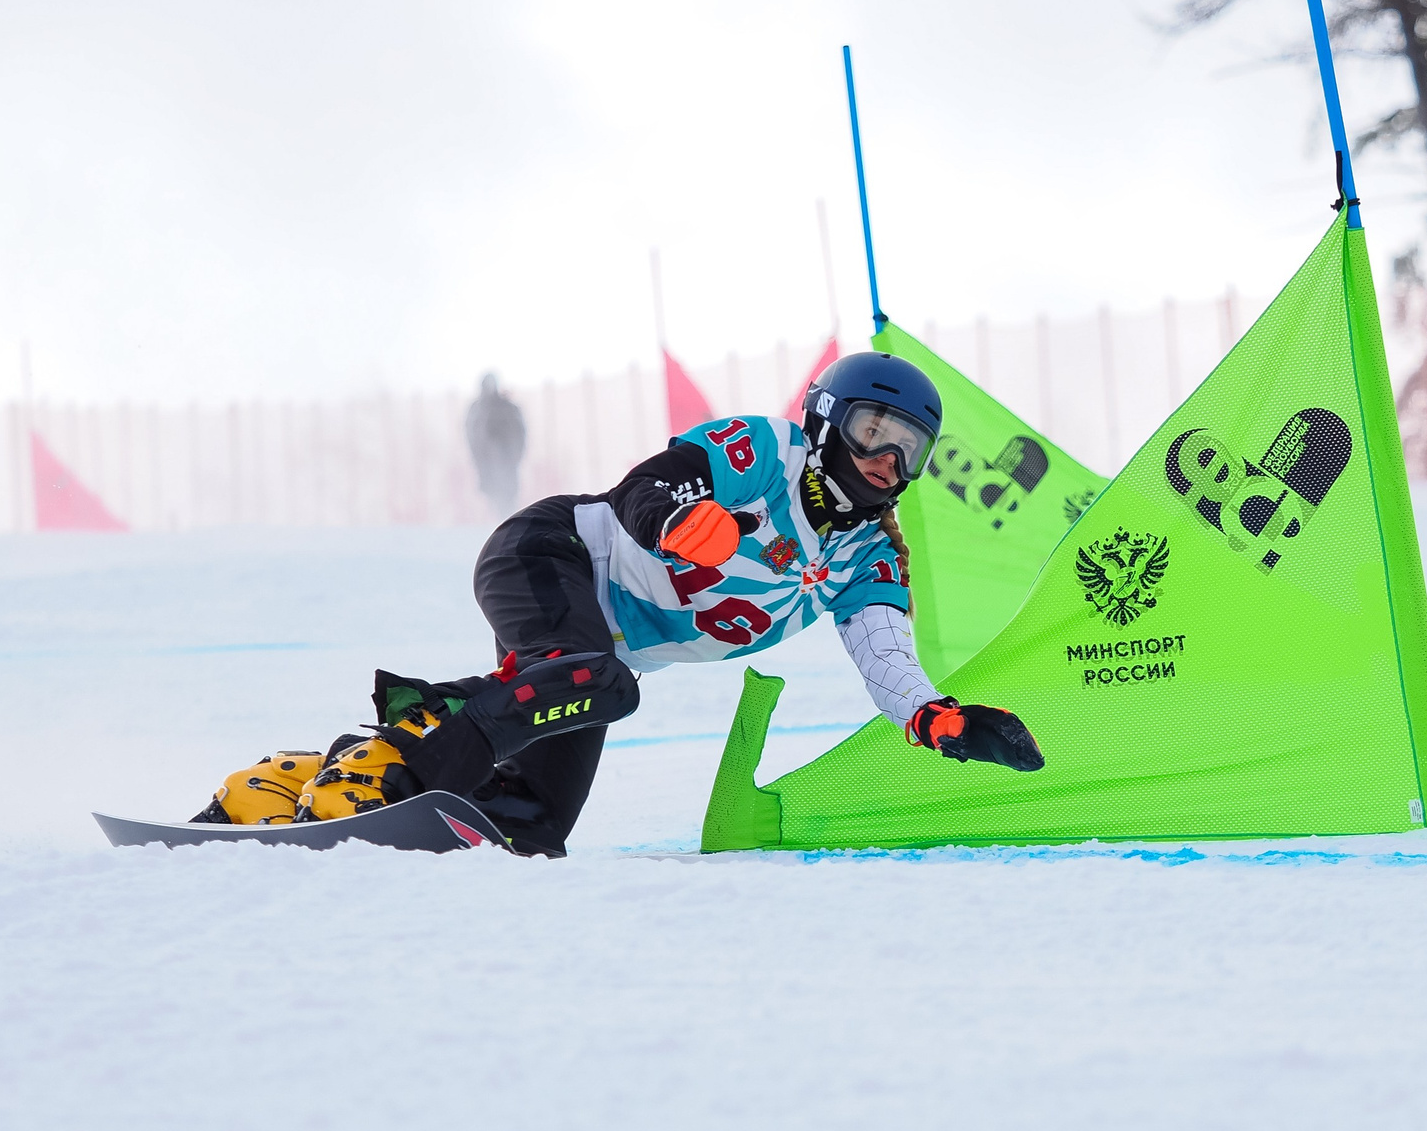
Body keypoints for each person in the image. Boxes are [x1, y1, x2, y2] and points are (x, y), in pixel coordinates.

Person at [201, 352, 1043, 855]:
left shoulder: (867, 556)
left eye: (907, 452)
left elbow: (890, 663)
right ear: (827, 421)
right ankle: (408, 760)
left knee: (532, 827)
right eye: (871, 434)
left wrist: (945, 723)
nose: (884, 464)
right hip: (550, 553)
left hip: (590, 653)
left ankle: (298, 779)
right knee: (602, 680)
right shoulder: (769, 452)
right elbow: (648, 484)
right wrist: (678, 520)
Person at [464, 373, 527, 515]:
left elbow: (519, 433)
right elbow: (472, 434)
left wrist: (514, 456)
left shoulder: (507, 408)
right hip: (487, 463)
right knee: (493, 497)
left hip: (506, 462)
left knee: (508, 501)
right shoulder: (477, 409)